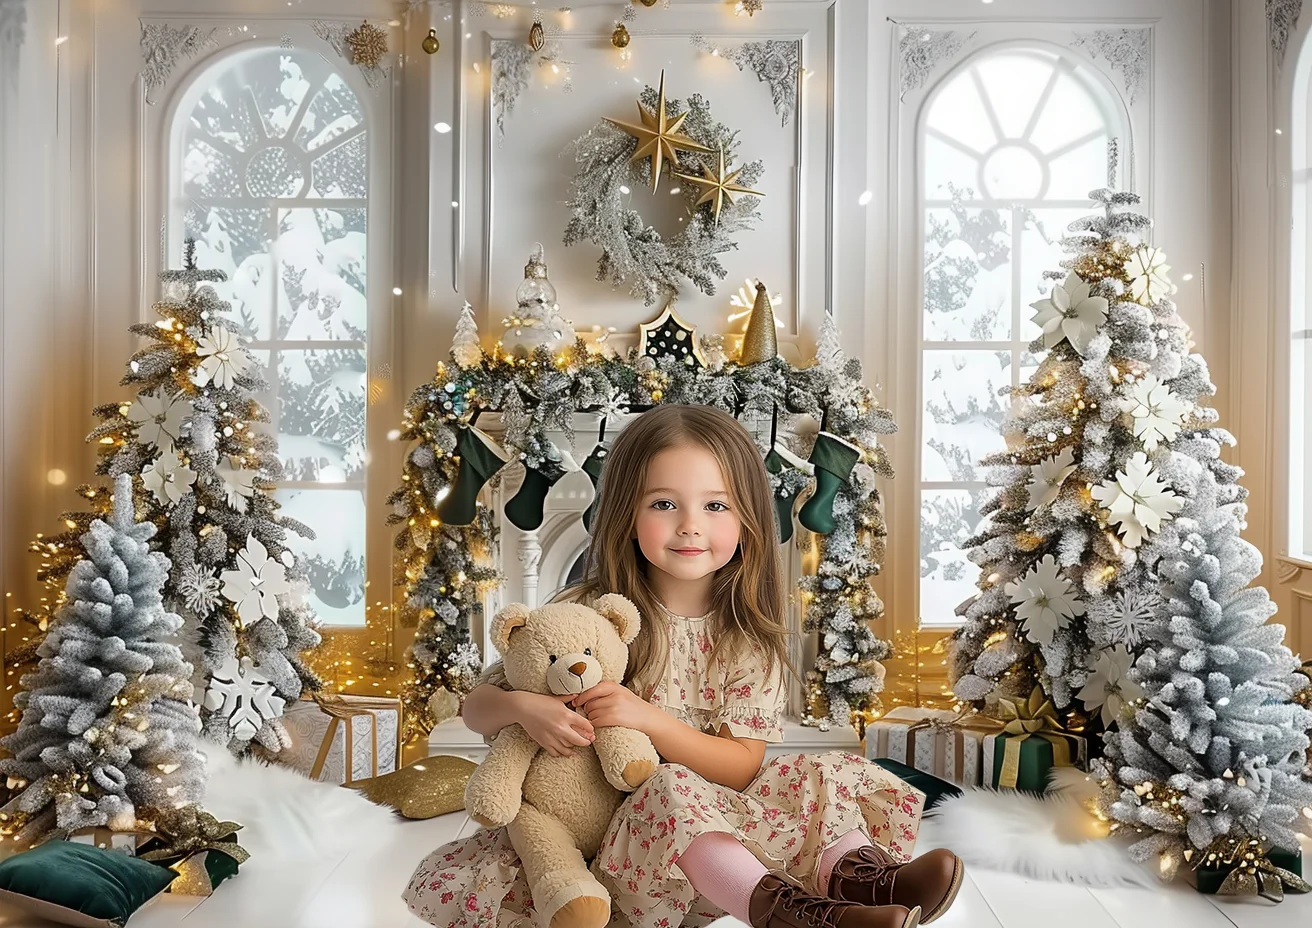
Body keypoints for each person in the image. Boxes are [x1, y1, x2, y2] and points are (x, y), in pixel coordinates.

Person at [404, 404, 963, 928]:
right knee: (669, 786)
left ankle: (866, 881)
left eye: (715, 505)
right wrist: (521, 708)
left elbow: (743, 768)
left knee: (812, 772)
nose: (691, 524)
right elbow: (476, 710)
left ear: (746, 519)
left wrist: (647, 719)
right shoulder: (585, 613)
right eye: (664, 503)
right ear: (627, 512)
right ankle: (797, 918)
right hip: (627, 848)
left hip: (717, 835)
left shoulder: (747, 639)